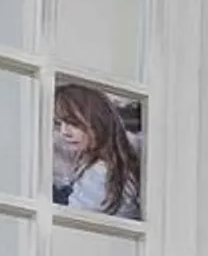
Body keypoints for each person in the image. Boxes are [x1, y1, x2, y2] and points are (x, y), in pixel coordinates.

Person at [52, 83, 141, 219]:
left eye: (74, 123)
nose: (65, 132)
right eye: (59, 124)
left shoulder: (100, 173)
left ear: (97, 122)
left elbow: (73, 220)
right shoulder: (105, 166)